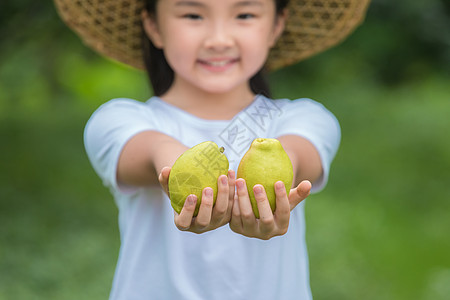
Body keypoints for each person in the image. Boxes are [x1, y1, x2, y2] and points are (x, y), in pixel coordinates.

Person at [54, 0, 370, 299]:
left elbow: (297, 158)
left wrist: (270, 192)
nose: (219, 39)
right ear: (153, 26)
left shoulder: (303, 118)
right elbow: (154, 150)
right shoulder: (120, 120)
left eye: (244, 14)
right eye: (193, 15)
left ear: (276, 26)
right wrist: (185, 176)